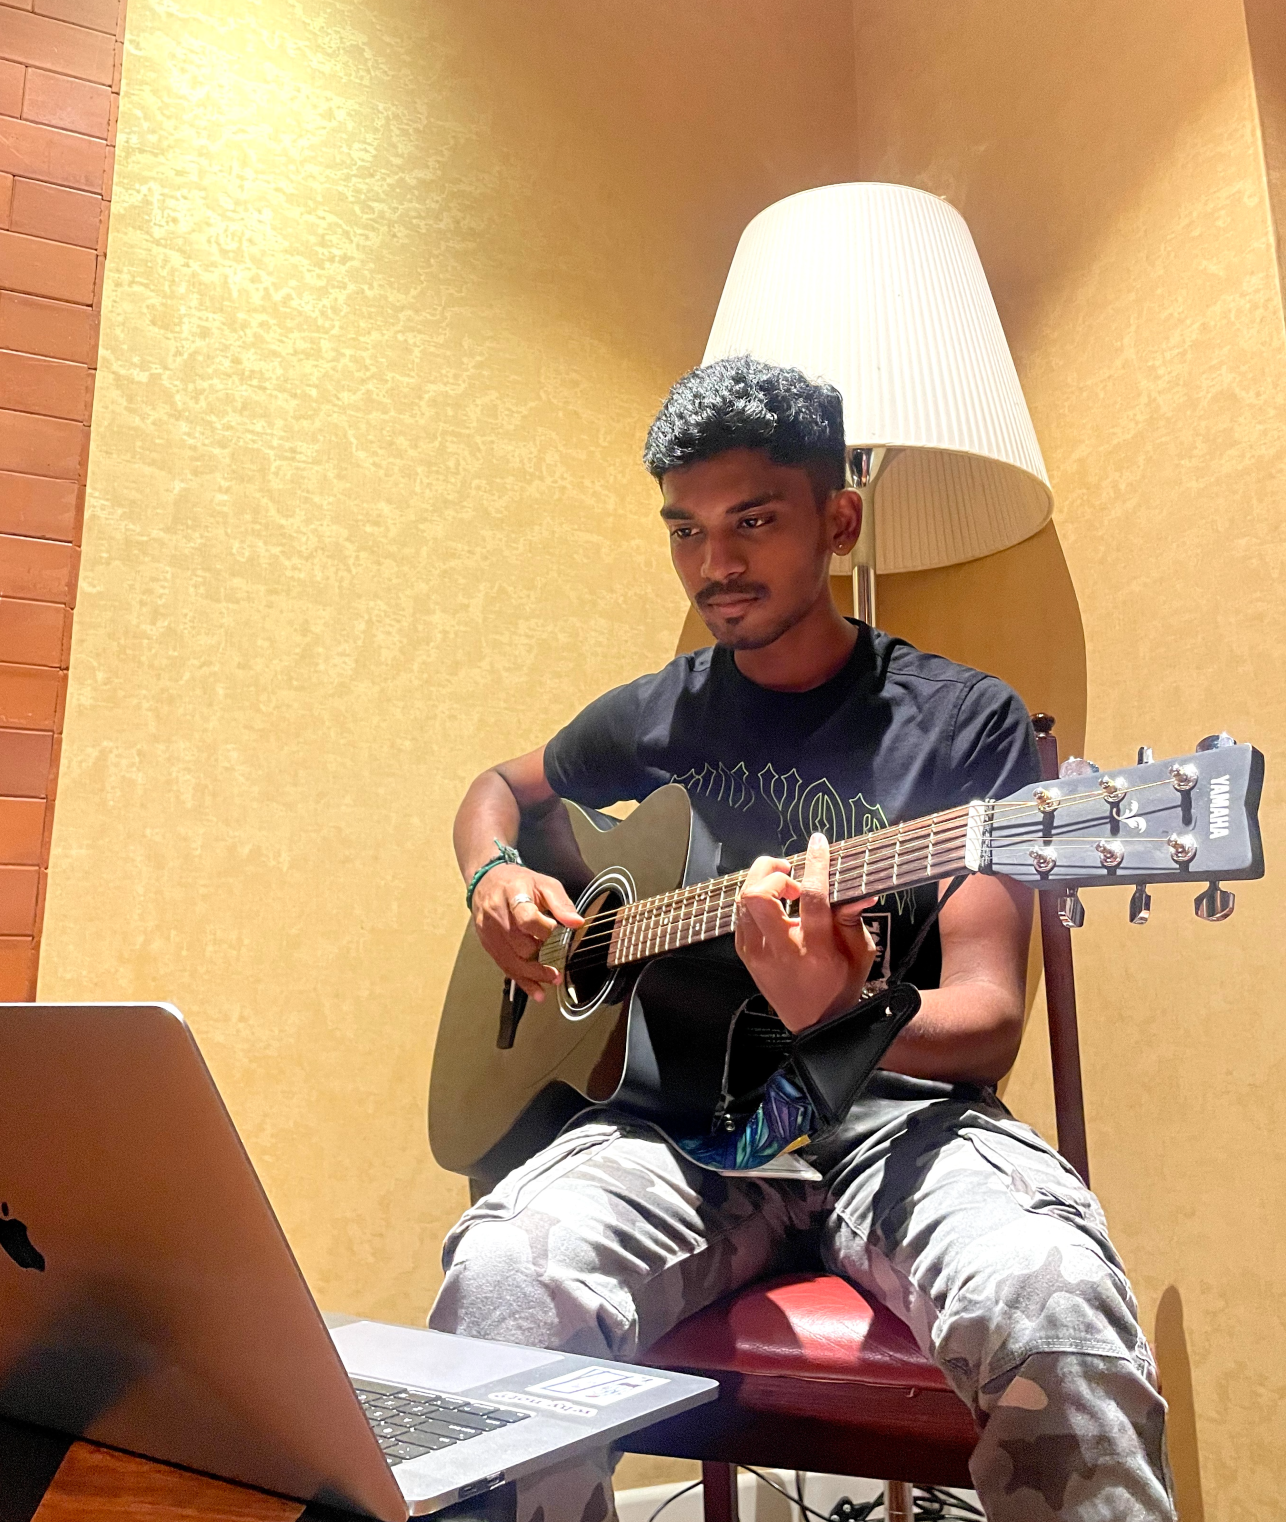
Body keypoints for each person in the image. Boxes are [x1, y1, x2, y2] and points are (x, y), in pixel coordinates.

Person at [432, 358, 1174, 1522]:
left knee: (1049, 1299)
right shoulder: (659, 711)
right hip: (676, 1131)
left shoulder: (954, 723)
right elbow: (493, 786)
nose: (713, 564)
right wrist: (494, 874)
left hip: (898, 1123)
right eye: (685, 529)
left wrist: (835, 1009)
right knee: (503, 1276)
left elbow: (984, 1023)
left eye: (753, 522)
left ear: (838, 520)